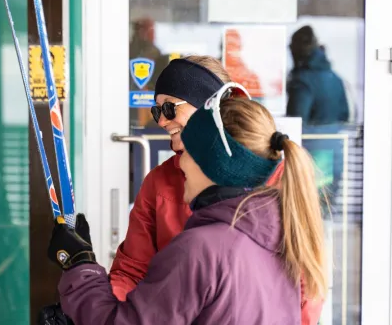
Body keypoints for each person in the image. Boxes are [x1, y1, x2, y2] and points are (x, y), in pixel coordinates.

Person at [47, 83, 328, 324]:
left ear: (212, 166)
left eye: (188, 152)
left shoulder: (203, 250)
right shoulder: (284, 237)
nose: (180, 162)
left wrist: (79, 266)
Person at [286, 25, 350, 125]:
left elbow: (295, 124)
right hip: (335, 139)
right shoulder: (336, 79)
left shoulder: (302, 82)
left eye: (291, 47)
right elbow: (344, 117)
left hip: (309, 140)